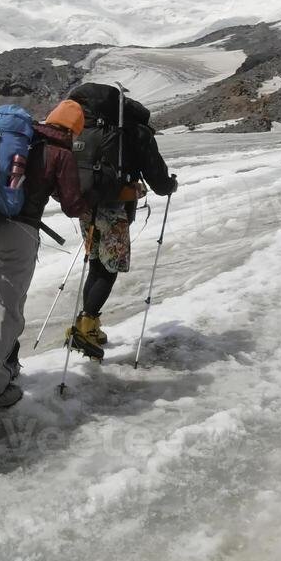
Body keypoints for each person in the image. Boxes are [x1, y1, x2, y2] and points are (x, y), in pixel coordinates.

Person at [0, 100, 90, 418]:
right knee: (7, 308)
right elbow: (73, 205)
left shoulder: (20, 138)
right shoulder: (60, 153)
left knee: (4, 301)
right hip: (17, 233)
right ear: (74, 130)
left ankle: (7, 363)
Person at [64, 93, 178, 361]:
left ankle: (88, 324)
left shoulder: (89, 127)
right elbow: (158, 178)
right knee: (110, 266)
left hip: (85, 204)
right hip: (115, 207)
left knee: (95, 261)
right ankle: (86, 326)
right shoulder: (133, 131)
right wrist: (169, 185)